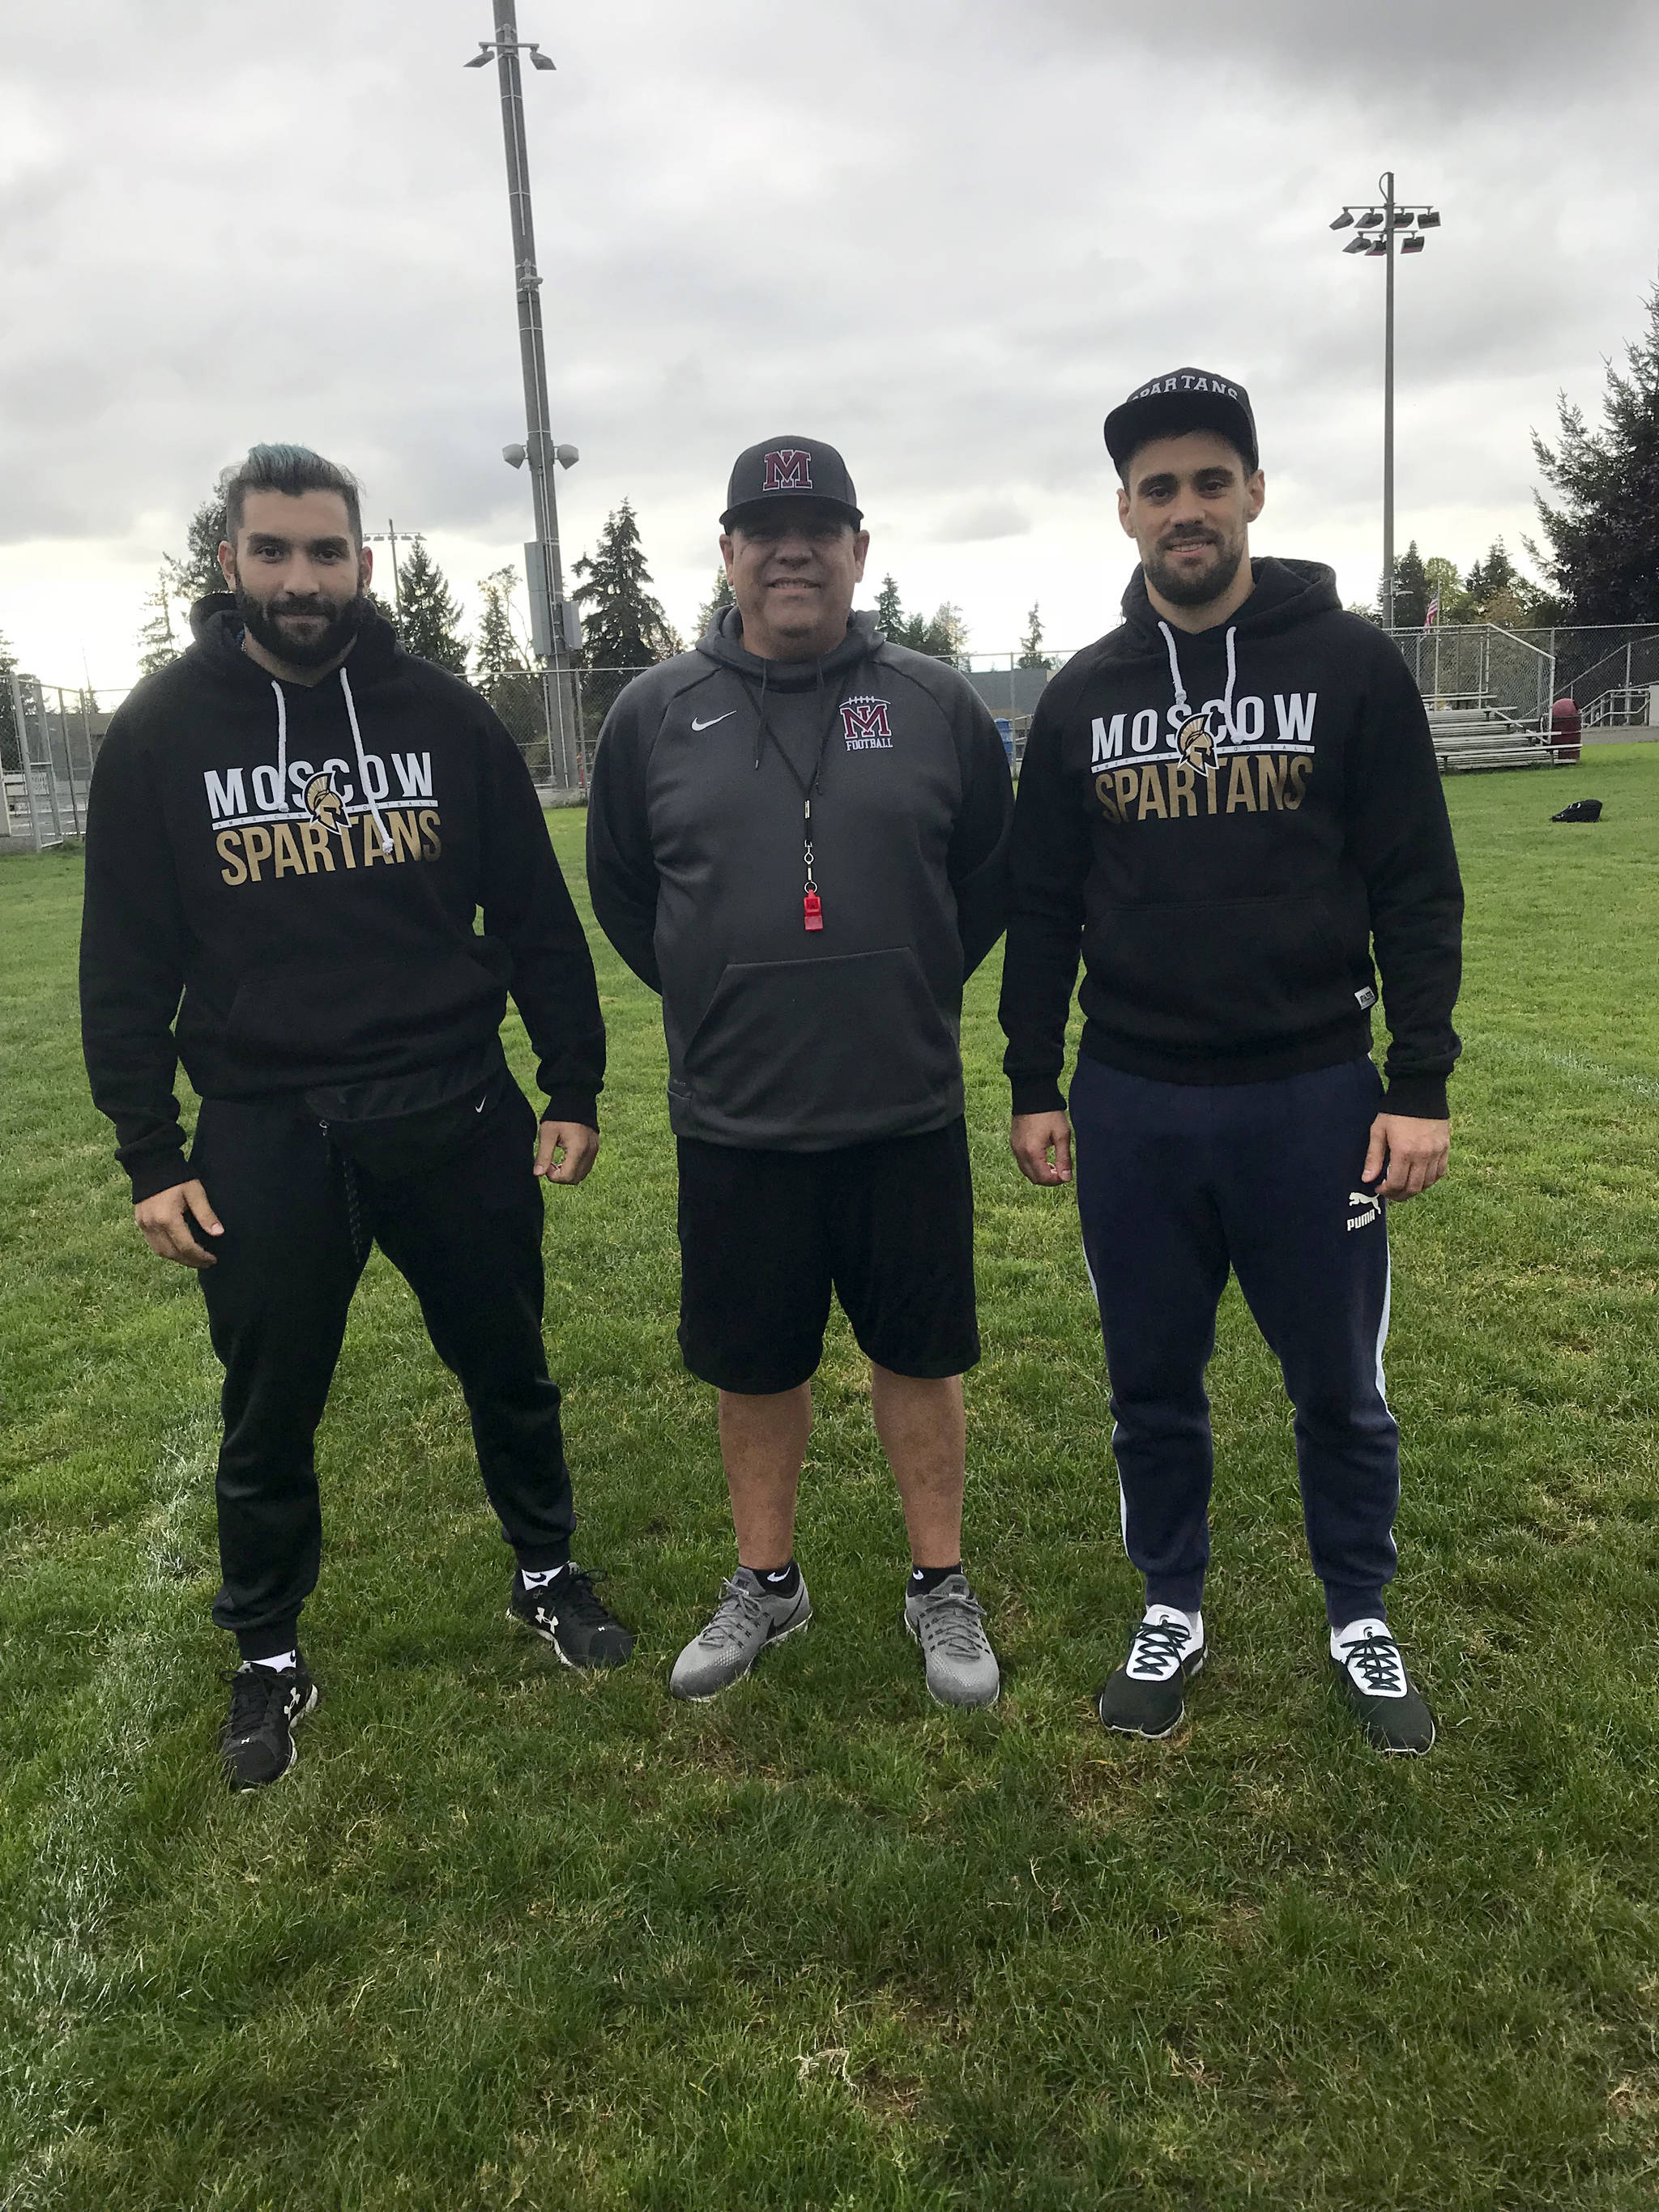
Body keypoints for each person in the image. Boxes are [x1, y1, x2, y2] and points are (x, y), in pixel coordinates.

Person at [80, 444, 633, 1792]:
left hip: (453, 1105)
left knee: (507, 1361)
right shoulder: (163, 731)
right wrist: (151, 1154)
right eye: (273, 551)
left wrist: (570, 1083)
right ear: (231, 564)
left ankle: (547, 1569)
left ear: (363, 564)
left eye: (326, 552)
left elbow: (536, 913)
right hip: (267, 1126)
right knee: (270, 1408)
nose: (301, 578)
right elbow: (122, 961)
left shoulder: (442, 717)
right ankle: (268, 1650)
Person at [999, 369, 1463, 1754]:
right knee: (1150, 1379)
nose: (1186, 509)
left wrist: (1419, 1080)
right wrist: (1034, 1079)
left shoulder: (1352, 663)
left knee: (1337, 1382)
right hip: (1135, 1098)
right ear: (1126, 513)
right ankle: (1172, 1601)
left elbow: (1416, 886)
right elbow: (1039, 906)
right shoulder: (1085, 695)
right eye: (1159, 488)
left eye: (1211, 480)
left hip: (1313, 1093)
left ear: (1255, 491)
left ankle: (1361, 1615)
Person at [586, 437, 1013, 1707]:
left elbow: (987, 877)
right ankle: (767, 1584)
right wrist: (723, 990)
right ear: (726, 553)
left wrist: (906, 976)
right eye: (764, 528)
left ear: (858, 550)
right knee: (754, 1366)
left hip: (903, 1107)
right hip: (739, 1116)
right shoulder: (654, 712)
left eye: (819, 526)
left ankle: (938, 1583)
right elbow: (625, 894)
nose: (792, 548)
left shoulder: (934, 702)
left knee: (918, 1358)